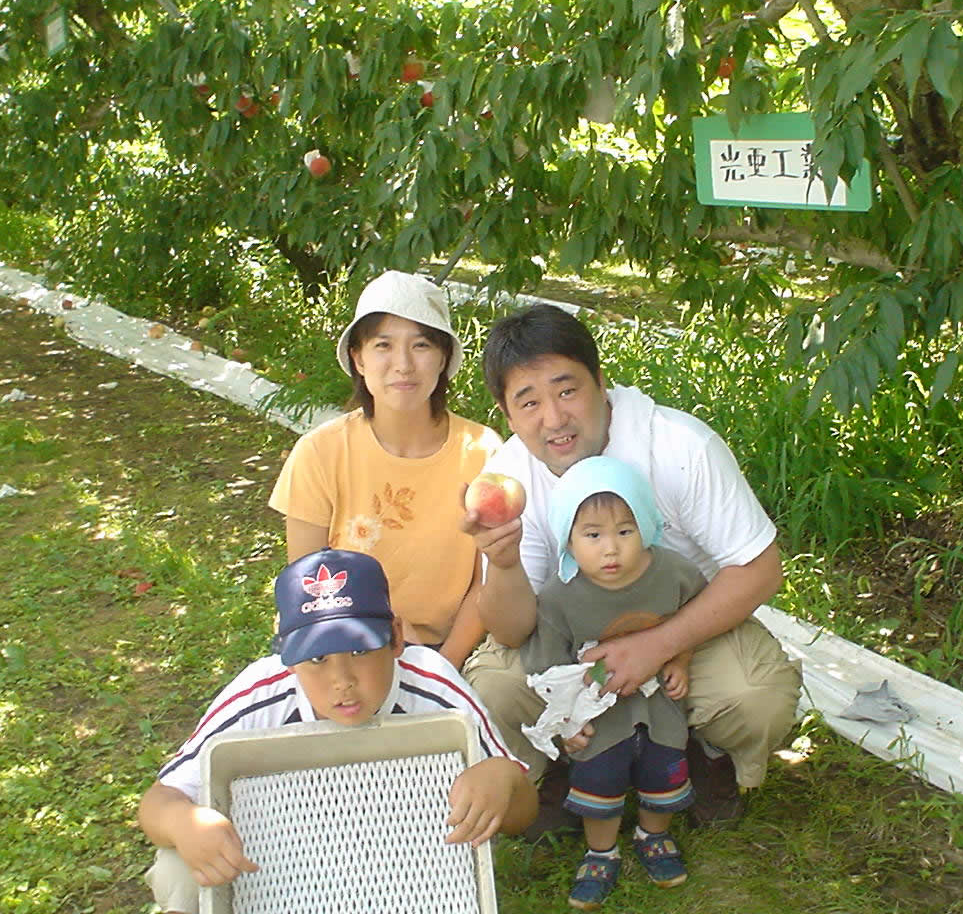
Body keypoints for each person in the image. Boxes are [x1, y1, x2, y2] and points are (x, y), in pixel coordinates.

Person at [462, 302, 802, 834]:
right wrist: (502, 564)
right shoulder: (510, 475)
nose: (553, 418)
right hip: (570, 638)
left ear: (601, 382)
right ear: (507, 415)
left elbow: (759, 569)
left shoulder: (679, 445)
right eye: (529, 402)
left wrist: (659, 644)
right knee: (496, 687)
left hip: (685, 628)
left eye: (566, 390)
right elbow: (511, 632)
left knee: (755, 697)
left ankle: (703, 752)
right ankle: (556, 760)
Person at [138, 548, 536, 914]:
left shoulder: (433, 687)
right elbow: (160, 800)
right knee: (177, 866)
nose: (342, 680)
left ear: (396, 637)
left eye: (360, 651)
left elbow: (522, 811)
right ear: (287, 656)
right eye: (317, 659)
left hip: (404, 859)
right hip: (283, 861)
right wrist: (183, 823)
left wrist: (500, 776)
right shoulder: (261, 694)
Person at [270, 271, 500, 669]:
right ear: (359, 359)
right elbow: (307, 584)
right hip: (341, 646)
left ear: (444, 357)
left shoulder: (483, 452)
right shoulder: (321, 452)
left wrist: (441, 669)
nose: (403, 365)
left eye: (421, 345)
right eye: (383, 345)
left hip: (450, 652)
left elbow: (488, 581)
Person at [523, 456, 703, 908]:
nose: (611, 549)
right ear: (567, 538)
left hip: (658, 706)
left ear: (647, 527)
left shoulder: (673, 573)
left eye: (625, 531)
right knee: (598, 780)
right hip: (600, 715)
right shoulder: (558, 597)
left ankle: (653, 834)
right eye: (593, 535)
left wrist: (681, 659)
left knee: (663, 769)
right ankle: (600, 851)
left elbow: (697, 617)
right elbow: (549, 669)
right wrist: (567, 722)